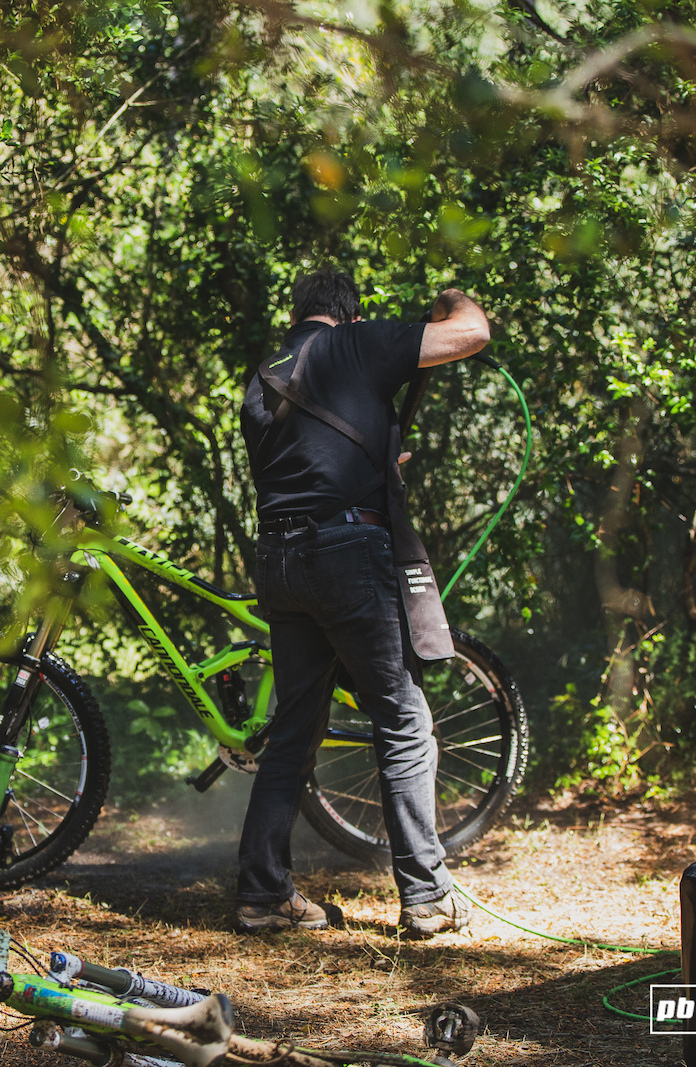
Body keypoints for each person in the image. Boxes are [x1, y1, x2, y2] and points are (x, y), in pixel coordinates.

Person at [235, 266, 491, 936]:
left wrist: (375, 450)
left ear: (300, 314)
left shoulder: (263, 377)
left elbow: (304, 464)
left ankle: (263, 893)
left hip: (280, 561)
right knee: (403, 719)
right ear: (348, 315)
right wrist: (452, 295)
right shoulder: (359, 345)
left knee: (294, 728)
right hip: (346, 555)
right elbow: (471, 332)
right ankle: (428, 897)